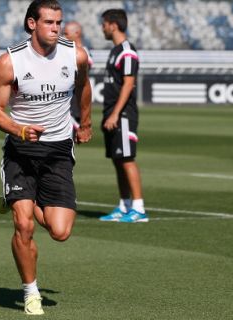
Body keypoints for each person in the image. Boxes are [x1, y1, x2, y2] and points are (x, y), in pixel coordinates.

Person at [0, 0, 92, 315]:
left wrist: (85, 123)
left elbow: (84, 88)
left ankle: (13, 198)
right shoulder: (10, 63)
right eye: (49, 22)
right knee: (24, 225)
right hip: (21, 149)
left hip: (58, 149)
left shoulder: (76, 56)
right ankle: (31, 292)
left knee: (60, 232)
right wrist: (18, 130)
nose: (56, 28)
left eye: (59, 22)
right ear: (32, 23)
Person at [98, 9, 148, 223]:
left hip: (123, 114)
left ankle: (139, 209)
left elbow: (129, 84)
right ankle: (124, 205)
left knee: (127, 159)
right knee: (118, 160)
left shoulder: (127, 51)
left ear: (113, 25)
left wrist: (116, 114)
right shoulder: (115, 51)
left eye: (104, 24)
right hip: (112, 112)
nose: (102, 28)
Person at [63, 21, 94, 131]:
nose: (63, 37)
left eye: (66, 34)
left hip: (75, 105)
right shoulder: (66, 51)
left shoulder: (83, 53)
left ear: (77, 33)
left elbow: (81, 76)